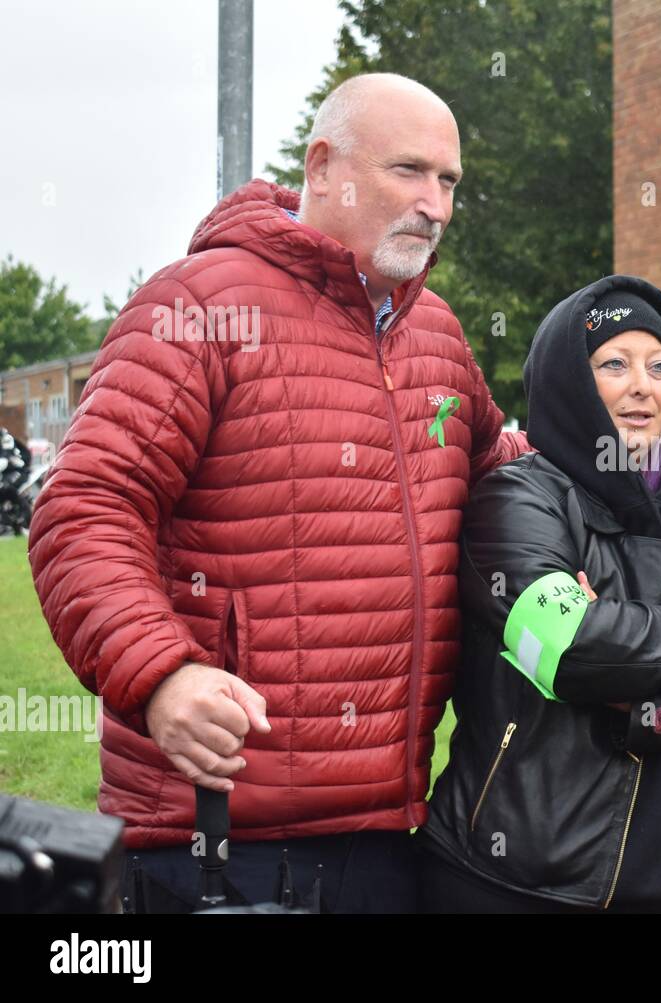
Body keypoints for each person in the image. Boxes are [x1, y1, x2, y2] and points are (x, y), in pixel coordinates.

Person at [26, 73, 529, 912]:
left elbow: (501, 470)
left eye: (450, 182)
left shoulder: (434, 329)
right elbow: (85, 507)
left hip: (388, 832)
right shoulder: (197, 306)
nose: (435, 204)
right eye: (410, 171)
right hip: (220, 843)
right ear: (324, 166)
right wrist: (161, 678)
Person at [417, 276, 661, 913]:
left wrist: (649, 716)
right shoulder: (518, 499)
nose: (643, 386)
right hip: (515, 881)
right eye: (613, 364)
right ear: (571, 383)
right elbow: (567, 649)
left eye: (659, 366)